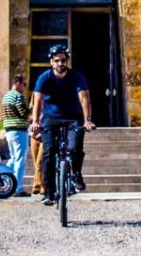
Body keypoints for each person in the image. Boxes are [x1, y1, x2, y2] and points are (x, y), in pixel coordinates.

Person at [29, 44, 95, 205]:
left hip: (73, 118)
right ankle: (49, 192)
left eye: (63, 60)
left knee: (74, 148)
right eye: (57, 60)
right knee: (49, 153)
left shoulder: (76, 77)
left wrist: (87, 119)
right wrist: (35, 121)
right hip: (51, 118)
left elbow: (84, 98)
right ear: (51, 62)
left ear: (67, 61)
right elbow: (38, 101)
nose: (60, 63)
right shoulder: (44, 78)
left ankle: (76, 174)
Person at [2, 75, 30, 196]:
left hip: (9, 130)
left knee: (13, 158)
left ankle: (5, 181)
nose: (24, 87)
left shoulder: (6, 96)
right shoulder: (18, 96)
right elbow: (23, 112)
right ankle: (17, 188)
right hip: (19, 130)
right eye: (24, 84)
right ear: (18, 83)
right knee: (20, 159)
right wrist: (32, 108)